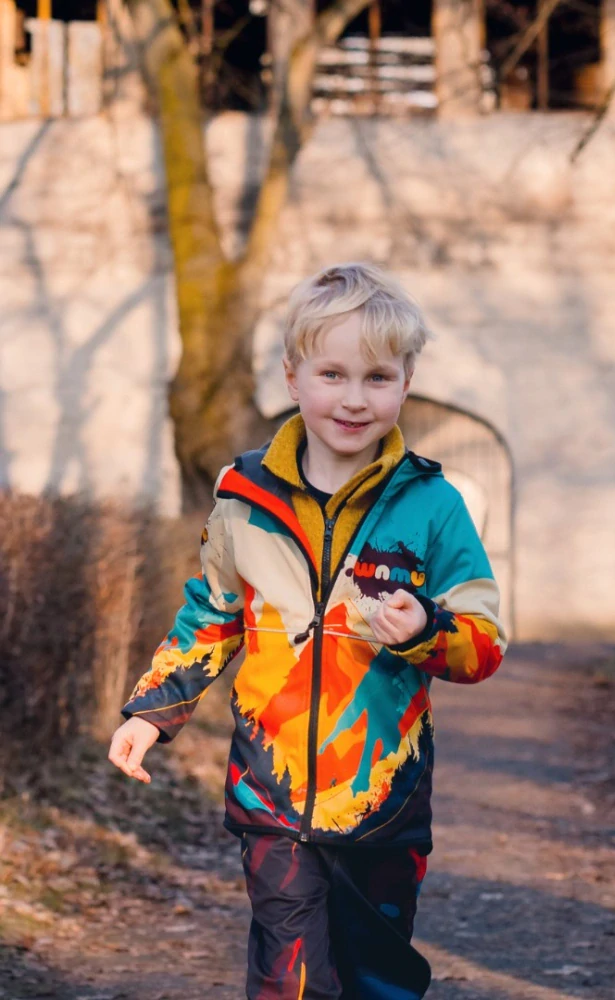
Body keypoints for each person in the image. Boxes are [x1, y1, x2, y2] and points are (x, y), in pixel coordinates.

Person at [107, 262, 507, 1000]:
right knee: (287, 976)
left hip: (384, 798)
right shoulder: (243, 497)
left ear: (407, 381)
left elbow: (486, 641)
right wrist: (152, 712)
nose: (354, 399)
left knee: (375, 979)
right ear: (293, 378)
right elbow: (212, 616)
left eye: (378, 378)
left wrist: (426, 628)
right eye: (332, 374)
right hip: (272, 791)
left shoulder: (433, 503)